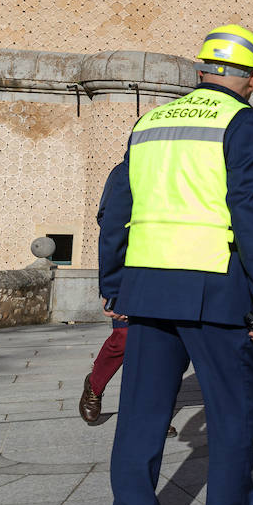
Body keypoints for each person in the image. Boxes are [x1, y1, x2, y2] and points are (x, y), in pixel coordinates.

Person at [98, 24, 253, 505]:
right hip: (213, 288)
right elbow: (249, 218)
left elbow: (116, 208)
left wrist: (114, 282)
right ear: (252, 78)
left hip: (147, 288)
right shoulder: (246, 123)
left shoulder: (150, 122)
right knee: (233, 416)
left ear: (203, 70)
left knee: (140, 418)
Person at [79, 161, 176, 437]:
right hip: (132, 271)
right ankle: (94, 385)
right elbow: (109, 224)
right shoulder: (125, 171)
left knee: (159, 347)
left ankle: (151, 414)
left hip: (169, 271)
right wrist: (113, 288)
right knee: (124, 340)